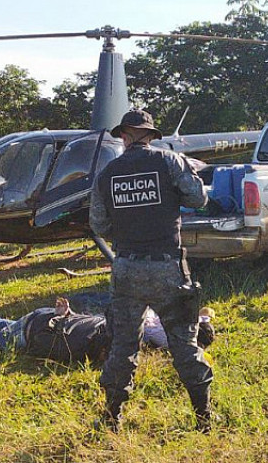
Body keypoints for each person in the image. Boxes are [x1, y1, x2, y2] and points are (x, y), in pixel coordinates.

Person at [90, 109, 213, 432]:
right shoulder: (169, 161)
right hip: (167, 266)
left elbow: (99, 224)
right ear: (151, 136)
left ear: (124, 136)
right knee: (183, 343)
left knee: (123, 344)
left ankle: (112, 417)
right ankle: (203, 419)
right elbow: (198, 199)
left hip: (126, 266)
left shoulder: (107, 173)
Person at [0, 297, 111, 365]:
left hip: (46, 314)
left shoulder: (104, 323)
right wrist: (29, 351)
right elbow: (45, 345)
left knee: (13, 326)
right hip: (32, 329)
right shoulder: (79, 349)